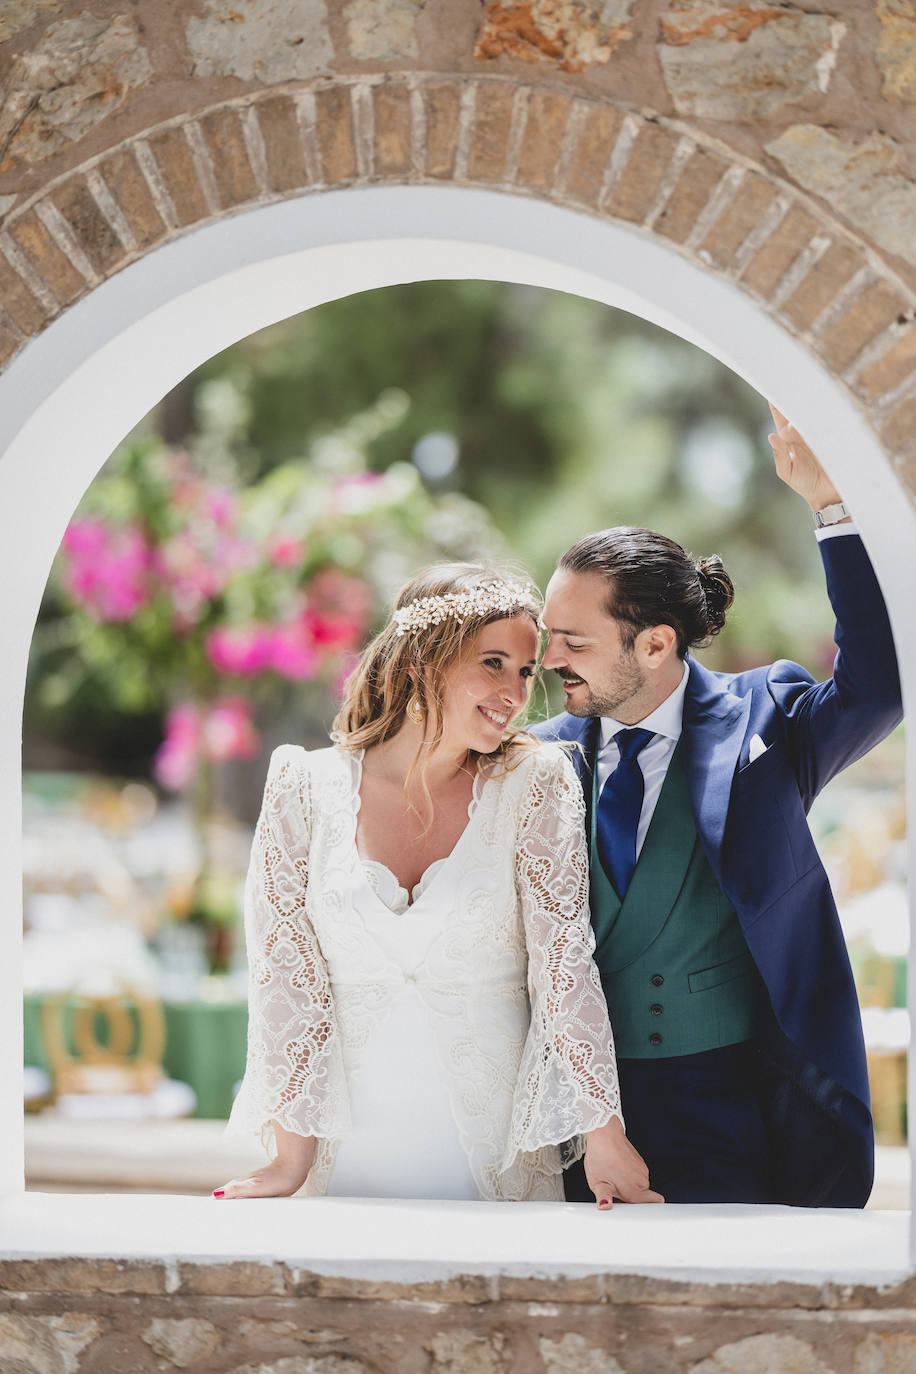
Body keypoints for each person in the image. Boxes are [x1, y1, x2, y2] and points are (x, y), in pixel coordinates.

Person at [533, 404, 903, 1207]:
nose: (548, 659)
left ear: (657, 644)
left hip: (731, 1106)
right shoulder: (536, 756)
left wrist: (833, 510)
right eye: (546, 634)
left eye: (573, 640)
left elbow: (879, 687)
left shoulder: (764, 718)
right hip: (574, 1118)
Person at [215, 564, 663, 1206]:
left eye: (525, 671)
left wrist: (604, 1133)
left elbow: (563, 965)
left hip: (495, 1167)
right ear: (425, 659)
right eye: (493, 663)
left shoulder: (535, 787)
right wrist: (290, 1159)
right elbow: (285, 977)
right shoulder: (303, 788)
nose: (514, 692)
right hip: (346, 1168)